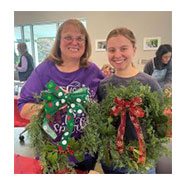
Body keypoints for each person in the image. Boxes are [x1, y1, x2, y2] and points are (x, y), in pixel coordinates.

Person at [17, 19, 104, 173]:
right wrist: (49, 107)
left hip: (84, 154)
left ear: (86, 43)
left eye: (79, 38)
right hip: (51, 152)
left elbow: (105, 106)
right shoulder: (44, 70)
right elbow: (24, 108)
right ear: (58, 41)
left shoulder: (93, 71)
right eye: (68, 37)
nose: (74, 42)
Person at [98, 27, 162, 174]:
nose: (117, 54)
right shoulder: (104, 85)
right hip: (112, 160)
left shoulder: (149, 83)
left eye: (123, 48)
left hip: (141, 161)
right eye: (112, 50)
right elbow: (101, 121)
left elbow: (160, 123)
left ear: (134, 49)